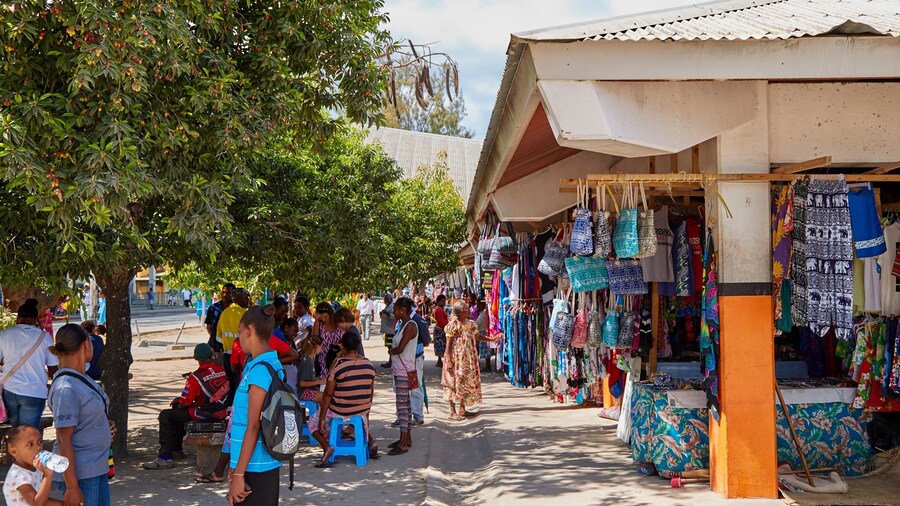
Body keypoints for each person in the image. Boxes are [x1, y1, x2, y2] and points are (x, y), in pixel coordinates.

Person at [47, 324, 114, 506]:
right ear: (86, 344)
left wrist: (102, 424)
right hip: (81, 474)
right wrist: (72, 487)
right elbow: (63, 439)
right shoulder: (66, 387)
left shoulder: (82, 378)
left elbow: (84, 416)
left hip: (96, 467)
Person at [227, 306, 283, 506]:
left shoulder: (260, 371)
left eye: (239, 333)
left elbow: (253, 426)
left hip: (255, 466)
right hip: (254, 462)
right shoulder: (269, 364)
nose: (239, 339)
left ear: (248, 331)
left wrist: (240, 473)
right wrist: (235, 464)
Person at [142, 343, 229, 470]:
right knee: (178, 414)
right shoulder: (222, 371)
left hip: (206, 413)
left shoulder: (195, 377)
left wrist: (179, 401)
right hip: (222, 412)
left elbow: (185, 402)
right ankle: (176, 450)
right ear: (211, 356)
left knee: (167, 415)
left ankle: (165, 457)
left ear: (197, 358)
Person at [309, 331, 377, 468]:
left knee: (312, 423)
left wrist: (322, 417)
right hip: (361, 408)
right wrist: (366, 412)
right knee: (358, 418)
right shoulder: (369, 365)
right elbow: (370, 391)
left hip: (341, 409)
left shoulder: (338, 365)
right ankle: (370, 441)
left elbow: (328, 394)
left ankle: (327, 447)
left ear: (342, 346)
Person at [0, 299, 59, 429]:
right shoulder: (45, 337)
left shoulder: (4, 335)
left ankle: (15, 449)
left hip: (10, 390)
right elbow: (53, 368)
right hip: (34, 392)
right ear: (35, 319)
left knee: (16, 432)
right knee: (29, 434)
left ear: (18, 318)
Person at [443, 302, 500, 420]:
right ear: (459, 311)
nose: (468, 310)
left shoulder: (471, 324)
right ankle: (453, 412)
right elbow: (448, 345)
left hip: (468, 359)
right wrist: (448, 360)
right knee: (452, 382)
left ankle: (462, 409)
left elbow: (478, 337)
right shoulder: (453, 325)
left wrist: (492, 339)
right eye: (465, 308)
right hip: (455, 359)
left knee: (465, 382)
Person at [2, 425, 61, 506]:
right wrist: (47, 476)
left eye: (39, 442)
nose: (38, 447)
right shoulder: (18, 476)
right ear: (13, 451)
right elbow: (36, 503)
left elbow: (42, 498)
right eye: (30, 444)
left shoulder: (35, 468)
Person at [388, 297, 418, 455]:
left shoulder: (410, 326)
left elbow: (400, 348)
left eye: (396, 309)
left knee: (402, 407)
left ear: (402, 310)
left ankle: (403, 442)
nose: (394, 312)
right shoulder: (404, 325)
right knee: (405, 405)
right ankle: (406, 438)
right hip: (402, 369)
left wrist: (391, 351)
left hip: (404, 371)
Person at [217, 288, 250, 406]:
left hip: (227, 355)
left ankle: (228, 410)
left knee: (230, 385)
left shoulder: (224, 313)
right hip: (240, 355)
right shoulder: (244, 314)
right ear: (238, 298)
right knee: (240, 385)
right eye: (245, 297)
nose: (248, 300)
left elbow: (218, 338)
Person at [311, 303, 344, 379]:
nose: (324, 319)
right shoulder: (320, 325)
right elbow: (314, 339)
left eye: (325, 317)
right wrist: (316, 321)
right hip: (323, 360)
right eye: (321, 317)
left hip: (338, 358)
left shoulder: (338, 325)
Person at [204, 283, 235, 354]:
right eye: (223, 292)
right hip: (215, 347)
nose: (224, 295)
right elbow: (209, 328)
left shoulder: (237, 310)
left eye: (228, 293)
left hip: (231, 348)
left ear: (233, 295)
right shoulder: (213, 308)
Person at [296, 336, 324, 402]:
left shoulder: (310, 360)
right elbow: (302, 383)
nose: (321, 349)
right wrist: (318, 382)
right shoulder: (307, 361)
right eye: (321, 346)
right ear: (315, 347)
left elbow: (308, 379)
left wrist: (316, 379)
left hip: (309, 390)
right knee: (326, 398)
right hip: (305, 392)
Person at [432, 295, 449, 368]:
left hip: (439, 329)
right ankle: (440, 361)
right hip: (440, 329)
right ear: (438, 301)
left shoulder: (438, 309)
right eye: (442, 301)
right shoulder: (439, 309)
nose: (444, 303)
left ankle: (440, 361)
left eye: (444, 301)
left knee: (440, 345)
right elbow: (441, 322)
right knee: (442, 345)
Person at [379, 294, 396, 369]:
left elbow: (394, 317)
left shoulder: (392, 307)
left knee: (391, 347)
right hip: (387, 330)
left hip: (391, 330)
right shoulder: (388, 306)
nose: (385, 301)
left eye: (386, 299)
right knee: (389, 346)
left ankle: (391, 362)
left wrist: (386, 313)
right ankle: (390, 361)